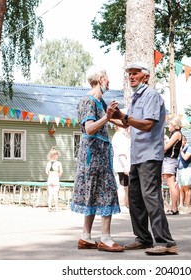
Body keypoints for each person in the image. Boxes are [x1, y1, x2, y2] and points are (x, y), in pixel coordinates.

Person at [116, 61, 178, 255]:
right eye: (129, 74)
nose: (131, 77)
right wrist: (107, 114)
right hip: (137, 155)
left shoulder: (151, 95)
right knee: (135, 199)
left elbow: (147, 125)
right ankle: (143, 238)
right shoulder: (135, 98)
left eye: (135, 73)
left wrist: (123, 118)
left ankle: (166, 242)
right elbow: (127, 124)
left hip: (150, 154)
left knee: (151, 197)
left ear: (146, 77)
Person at [70, 66, 124, 252]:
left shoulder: (100, 103)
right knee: (107, 191)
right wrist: (107, 117)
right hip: (93, 155)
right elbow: (90, 129)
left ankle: (86, 237)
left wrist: (124, 117)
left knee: (93, 192)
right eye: (107, 79)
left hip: (99, 154)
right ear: (100, 79)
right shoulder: (88, 100)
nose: (109, 82)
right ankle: (106, 238)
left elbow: (114, 120)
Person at [163, 117, 182, 215]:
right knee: (170, 185)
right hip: (169, 160)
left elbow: (166, 148)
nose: (168, 126)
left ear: (174, 125)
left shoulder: (177, 134)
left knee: (171, 185)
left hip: (170, 160)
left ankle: (174, 208)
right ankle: (173, 207)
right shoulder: (173, 134)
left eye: (169, 125)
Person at [112, 124, 130, 210]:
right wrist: (126, 166)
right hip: (122, 165)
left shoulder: (124, 135)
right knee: (123, 185)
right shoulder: (119, 136)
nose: (126, 128)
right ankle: (122, 204)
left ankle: (126, 204)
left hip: (124, 165)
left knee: (126, 186)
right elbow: (121, 153)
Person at [176, 135, 191, 208]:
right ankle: (181, 204)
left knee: (186, 188)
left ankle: (187, 205)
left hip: (186, 169)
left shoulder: (188, 147)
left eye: (181, 141)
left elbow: (186, 157)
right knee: (181, 188)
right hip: (180, 169)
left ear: (185, 141)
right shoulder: (181, 147)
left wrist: (180, 150)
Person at [45, 147, 63, 212]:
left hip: (50, 179)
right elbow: (61, 172)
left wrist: (50, 175)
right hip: (55, 179)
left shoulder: (48, 163)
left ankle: (49, 207)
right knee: (55, 193)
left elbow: (46, 172)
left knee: (50, 194)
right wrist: (58, 175)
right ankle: (56, 207)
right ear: (55, 156)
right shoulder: (58, 163)